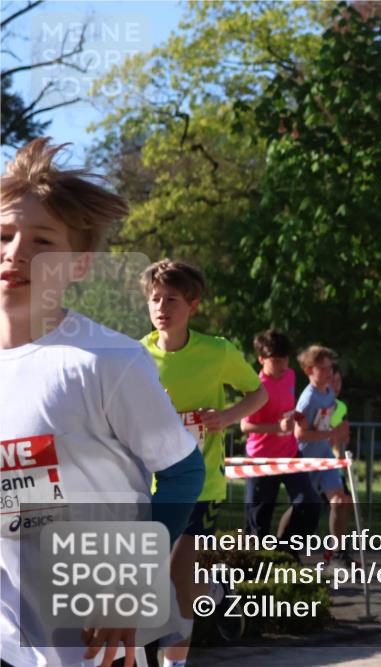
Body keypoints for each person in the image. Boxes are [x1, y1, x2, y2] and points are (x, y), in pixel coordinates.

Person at [1, 138, 204, 667]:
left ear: (80, 266)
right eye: (3, 235)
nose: (15, 253)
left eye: (42, 241)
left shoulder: (106, 360)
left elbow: (184, 473)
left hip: (87, 644)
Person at [140, 259, 268, 667]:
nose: (161, 307)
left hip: (200, 485)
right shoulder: (135, 355)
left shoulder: (217, 351)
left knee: (178, 584)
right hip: (147, 486)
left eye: (172, 299)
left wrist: (226, 418)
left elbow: (257, 393)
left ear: (192, 305)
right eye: (155, 298)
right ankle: (215, 589)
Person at [240, 329, 320, 543]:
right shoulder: (257, 387)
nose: (283, 365)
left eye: (285, 359)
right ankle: (253, 567)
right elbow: (245, 426)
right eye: (276, 360)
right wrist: (277, 427)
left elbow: (285, 408)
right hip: (262, 458)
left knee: (309, 503)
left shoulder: (290, 375)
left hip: (290, 453)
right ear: (262, 360)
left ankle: (285, 549)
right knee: (258, 520)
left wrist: (298, 416)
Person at [293, 345, 354, 566]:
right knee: (302, 510)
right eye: (323, 369)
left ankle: (338, 553)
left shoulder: (328, 392)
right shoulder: (307, 400)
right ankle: (286, 549)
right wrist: (332, 433)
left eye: (330, 368)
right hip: (306, 459)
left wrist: (337, 434)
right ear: (309, 370)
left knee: (341, 501)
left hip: (325, 456)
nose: (329, 373)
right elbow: (300, 434)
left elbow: (326, 426)